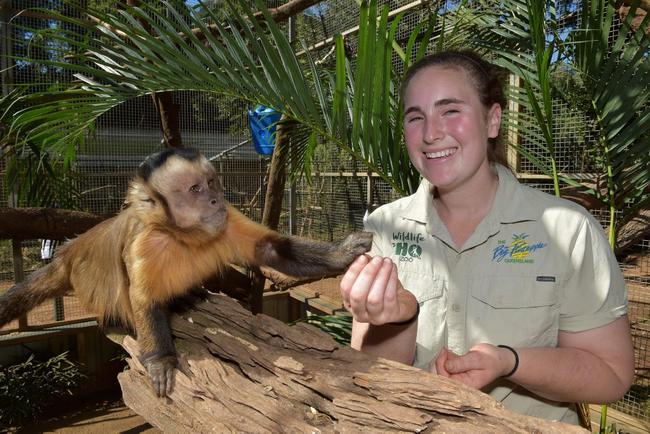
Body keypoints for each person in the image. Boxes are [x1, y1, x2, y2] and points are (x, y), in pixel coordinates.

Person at [339, 49, 634, 424]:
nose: (431, 133)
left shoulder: (568, 230)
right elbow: (368, 370)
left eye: (450, 111)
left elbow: (611, 375)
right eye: (416, 117)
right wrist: (400, 319)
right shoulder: (386, 226)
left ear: (492, 120)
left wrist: (508, 361)